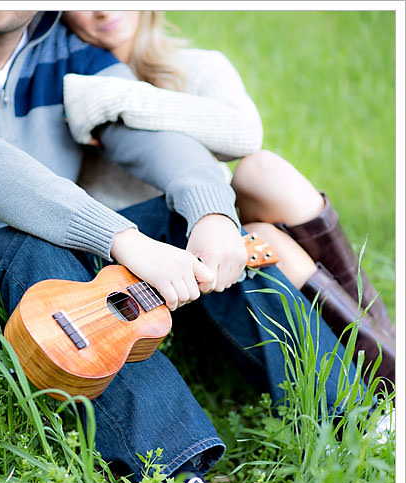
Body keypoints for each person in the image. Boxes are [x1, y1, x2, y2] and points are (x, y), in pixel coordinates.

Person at [0, 11, 366, 483]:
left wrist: (211, 213)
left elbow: (150, 139)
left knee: (189, 220)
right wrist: (121, 240)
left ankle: (356, 412)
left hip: (81, 228)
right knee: (40, 251)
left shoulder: (70, 52)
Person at [59, 10, 395, 387]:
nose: (104, 9)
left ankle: (388, 362)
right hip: (156, 267)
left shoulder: (196, 68)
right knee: (266, 239)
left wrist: (120, 100)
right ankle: (389, 368)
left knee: (264, 170)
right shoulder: (63, 83)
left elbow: (245, 135)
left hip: (214, 228)